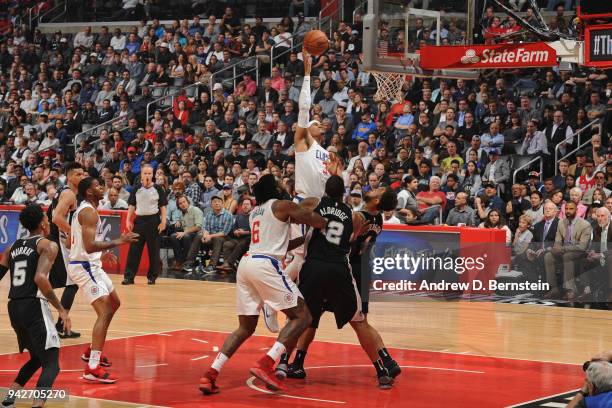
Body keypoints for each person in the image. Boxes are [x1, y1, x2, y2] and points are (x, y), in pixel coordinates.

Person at [198, 174, 327, 394]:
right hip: (266, 265)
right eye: (277, 184)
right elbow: (317, 221)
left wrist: (301, 239)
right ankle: (266, 364)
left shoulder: (255, 213)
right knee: (303, 316)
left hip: (247, 264)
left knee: (244, 328)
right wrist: (321, 204)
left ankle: (210, 374)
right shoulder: (282, 205)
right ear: (273, 189)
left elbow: (280, 242)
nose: (281, 186)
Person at [279, 183, 401, 389]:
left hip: (343, 266)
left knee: (311, 317)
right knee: (359, 320)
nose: (373, 187)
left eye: (378, 190)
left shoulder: (357, 217)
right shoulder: (378, 219)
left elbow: (346, 238)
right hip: (360, 268)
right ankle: (386, 362)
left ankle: (290, 361)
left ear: (377, 200)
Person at [263, 49, 343, 332]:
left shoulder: (325, 152)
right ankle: (272, 303)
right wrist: (308, 75)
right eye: (314, 123)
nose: (319, 123)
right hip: (300, 207)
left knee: (303, 258)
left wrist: (337, 176)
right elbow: (304, 109)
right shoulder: (304, 144)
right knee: (295, 257)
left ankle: (283, 300)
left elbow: (334, 186)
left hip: (318, 209)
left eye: (321, 123)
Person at [68, 177, 138, 383]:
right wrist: (119, 241)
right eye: (98, 186)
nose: (102, 188)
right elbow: (88, 247)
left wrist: (102, 253)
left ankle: (91, 351)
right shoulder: (88, 212)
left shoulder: (87, 209)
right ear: (89, 192)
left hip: (92, 264)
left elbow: (77, 242)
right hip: (84, 267)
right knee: (105, 310)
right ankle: (92, 367)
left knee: (115, 303)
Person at [0, 204, 68, 408]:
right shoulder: (47, 245)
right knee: (52, 365)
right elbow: (40, 278)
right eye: (46, 219)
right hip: (34, 305)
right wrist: (61, 308)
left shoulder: (11, 247)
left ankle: (8, 400)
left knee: (37, 358)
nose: (48, 221)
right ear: (41, 223)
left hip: (14, 308)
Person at [46, 162, 85, 339]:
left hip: (57, 241)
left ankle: (60, 324)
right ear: (69, 177)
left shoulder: (65, 192)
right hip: (59, 243)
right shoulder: (69, 194)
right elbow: (55, 217)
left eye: (83, 174)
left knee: (67, 282)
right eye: (78, 174)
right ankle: (58, 324)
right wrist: (73, 232)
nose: (82, 177)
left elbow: (49, 214)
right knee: (71, 282)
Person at [123, 164, 168, 285]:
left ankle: (152, 277)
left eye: (149, 173)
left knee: (153, 251)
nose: (147, 175)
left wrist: (163, 222)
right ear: (141, 175)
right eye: (145, 173)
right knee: (134, 251)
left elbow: (163, 207)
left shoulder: (158, 189)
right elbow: (132, 206)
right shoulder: (136, 189)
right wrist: (128, 220)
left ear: (152, 175)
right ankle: (129, 277)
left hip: (153, 221)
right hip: (139, 221)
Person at [544, 201, 592, 301]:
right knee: (548, 256)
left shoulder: (585, 224)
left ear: (577, 210)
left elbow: (582, 246)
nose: (568, 211)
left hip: (579, 252)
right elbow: (558, 241)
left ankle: (571, 289)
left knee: (567, 256)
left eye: (571, 209)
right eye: (566, 209)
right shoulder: (561, 222)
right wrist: (556, 248)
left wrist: (563, 249)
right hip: (564, 250)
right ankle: (554, 288)